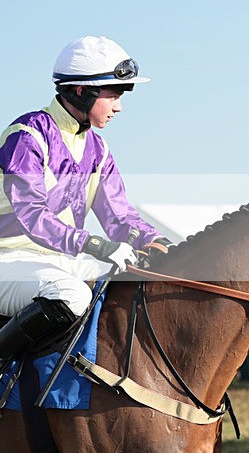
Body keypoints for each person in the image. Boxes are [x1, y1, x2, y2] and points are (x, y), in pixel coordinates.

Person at [0, 36, 170, 361]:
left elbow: (120, 218)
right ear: (81, 91)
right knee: (72, 295)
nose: (119, 106)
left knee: (128, 282)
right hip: (8, 260)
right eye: (114, 95)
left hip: (56, 262)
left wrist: (159, 242)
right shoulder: (27, 136)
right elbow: (32, 216)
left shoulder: (99, 150)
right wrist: (96, 246)